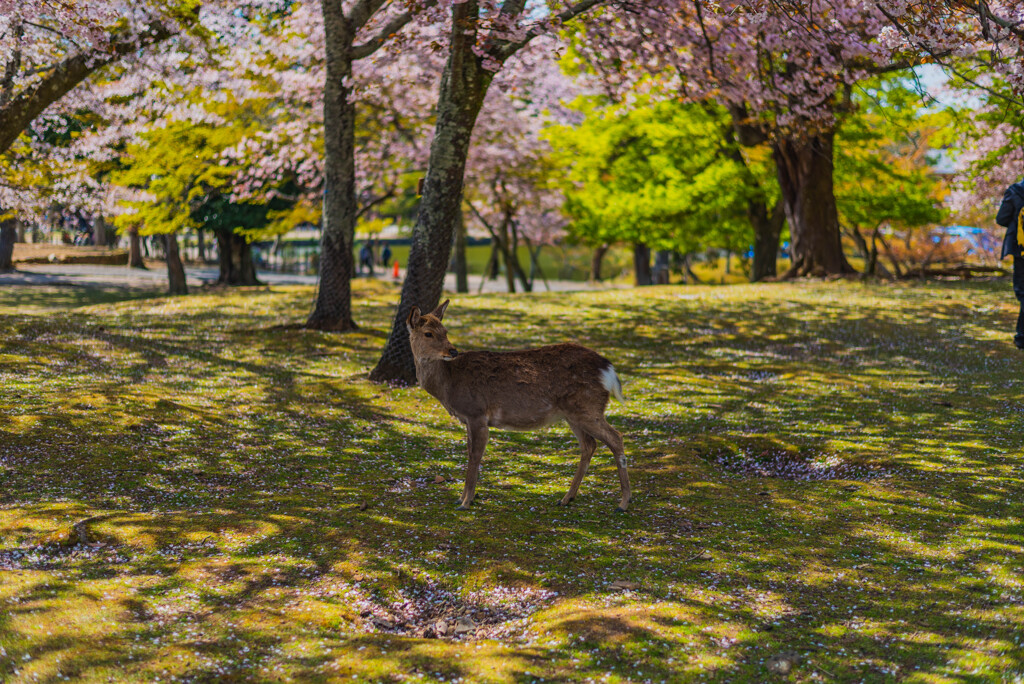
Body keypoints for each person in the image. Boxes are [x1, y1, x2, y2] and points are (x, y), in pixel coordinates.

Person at [996, 178, 1024, 349]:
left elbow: (1001, 219)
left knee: (1022, 291)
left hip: (1020, 249)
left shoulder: (1015, 191)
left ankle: (1021, 336)